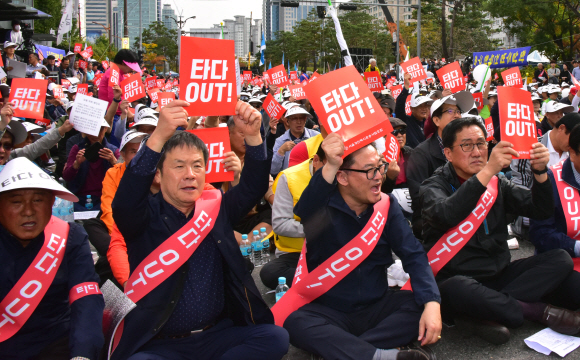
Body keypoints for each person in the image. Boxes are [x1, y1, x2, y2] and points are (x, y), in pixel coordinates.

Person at [110, 99, 289, 360]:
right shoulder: (143, 217)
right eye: (179, 166)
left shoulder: (216, 209)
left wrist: (253, 137)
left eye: (197, 166)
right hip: (162, 344)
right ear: (158, 174)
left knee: (275, 338)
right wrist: (159, 134)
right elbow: (124, 203)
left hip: (216, 336)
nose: (190, 174)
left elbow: (252, 186)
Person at [420, 117, 580, 344]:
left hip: (500, 275)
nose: (476, 152)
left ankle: (483, 313)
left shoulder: (497, 183)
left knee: (561, 259)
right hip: (459, 278)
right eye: (467, 145)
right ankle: (537, 311)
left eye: (481, 143)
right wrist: (487, 172)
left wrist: (540, 172)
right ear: (447, 153)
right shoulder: (434, 186)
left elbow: (540, 210)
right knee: (457, 289)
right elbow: (446, 214)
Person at [283, 133, 441, 360]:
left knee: (425, 303)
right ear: (343, 178)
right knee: (296, 323)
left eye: (380, 167)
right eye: (370, 170)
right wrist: (331, 164)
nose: (379, 177)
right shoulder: (322, 208)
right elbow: (305, 207)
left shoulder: (387, 206)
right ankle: (380, 355)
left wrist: (432, 303)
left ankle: (343, 351)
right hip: (330, 310)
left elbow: (413, 254)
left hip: (377, 305)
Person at [0, 157, 104, 359]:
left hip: (54, 343)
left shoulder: (70, 238)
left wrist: (82, 354)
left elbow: (86, 299)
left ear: (51, 202)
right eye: (16, 202)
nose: (28, 211)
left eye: (38, 200)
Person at [260, 144, 327, 289]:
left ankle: (321, 283)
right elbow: (280, 224)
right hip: (297, 253)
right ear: (316, 160)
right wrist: (315, 229)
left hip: (333, 251)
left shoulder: (345, 176)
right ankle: (324, 282)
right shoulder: (289, 177)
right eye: (330, 167)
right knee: (270, 273)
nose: (334, 173)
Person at [406, 93, 473, 238]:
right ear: (436, 120)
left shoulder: (468, 148)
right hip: (434, 222)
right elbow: (420, 200)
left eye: (458, 111)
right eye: (450, 111)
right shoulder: (421, 155)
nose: (456, 115)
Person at [529, 124, 580, 311]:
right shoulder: (551, 179)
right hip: (563, 260)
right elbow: (539, 233)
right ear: (572, 153)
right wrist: (575, 246)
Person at [62, 119, 120, 211]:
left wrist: (113, 162)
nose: (95, 134)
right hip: (79, 198)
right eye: (93, 130)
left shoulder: (113, 150)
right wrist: (76, 164)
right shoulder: (77, 148)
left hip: (105, 198)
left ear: (105, 129)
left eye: (100, 130)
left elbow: (123, 177)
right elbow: (67, 176)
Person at [271, 106, 319, 177]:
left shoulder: (316, 136)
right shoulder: (280, 141)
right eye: (294, 118)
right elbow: (273, 170)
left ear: (305, 120)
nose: (299, 122)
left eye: (301, 118)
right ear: (288, 121)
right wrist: (281, 151)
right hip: (290, 181)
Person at [394, 73, 434, 148]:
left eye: (425, 105)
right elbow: (399, 107)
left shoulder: (429, 124)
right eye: (420, 106)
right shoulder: (405, 121)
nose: (424, 108)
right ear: (412, 108)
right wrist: (406, 87)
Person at [381, 117, 413, 195]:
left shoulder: (411, 153)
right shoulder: (379, 158)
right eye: (394, 132)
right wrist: (390, 177)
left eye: (402, 131)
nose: (399, 135)